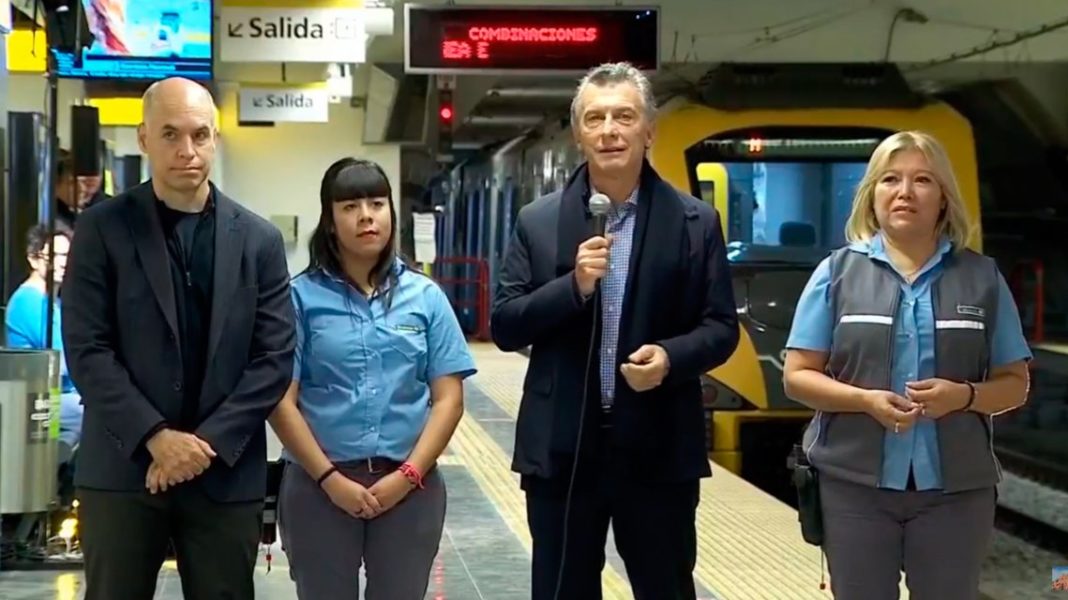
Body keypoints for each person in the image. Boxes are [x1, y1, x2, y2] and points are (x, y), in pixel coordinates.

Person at [491, 62, 740, 600]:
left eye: (624, 116)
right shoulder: (538, 220)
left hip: (658, 450)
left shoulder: (695, 222)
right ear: (579, 133)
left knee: (665, 587)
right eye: (596, 118)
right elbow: (505, 324)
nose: (610, 130)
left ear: (648, 130)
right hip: (563, 451)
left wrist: (671, 358)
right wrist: (574, 287)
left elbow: (721, 327)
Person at [61, 77, 296, 600]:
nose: (186, 151)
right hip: (124, 470)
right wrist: (156, 438)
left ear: (215, 139)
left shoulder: (258, 240)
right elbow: (87, 348)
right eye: (170, 134)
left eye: (199, 135)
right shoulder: (102, 230)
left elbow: (273, 358)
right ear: (143, 138)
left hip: (225, 473)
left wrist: (202, 445)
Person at [783, 130, 1031, 600]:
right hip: (854, 489)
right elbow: (797, 376)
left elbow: (1014, 384)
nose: (904, 192)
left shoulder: (982, 278)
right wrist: (864, 401)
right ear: (872, 195)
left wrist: (965, 397)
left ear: (943, 199)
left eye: (922, 180)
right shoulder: (835, 275)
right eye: (890, 179)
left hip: (955, 494)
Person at [269, 158, 476, 599]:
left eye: (377, 203)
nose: (366, 215)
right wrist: (329, 479)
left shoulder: (426, 298)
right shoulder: (299, 299)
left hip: (410, 488)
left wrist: (407, 475)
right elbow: (281, 401)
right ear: (329, 221)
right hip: (318, 488)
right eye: (350, 206)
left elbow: (448, 400)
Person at [4, 224, 82, 452]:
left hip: (59, 393)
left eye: (67, 255)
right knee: (104, 413)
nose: (63, 262)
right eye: (54, 255)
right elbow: (67, 361)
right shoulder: (31, 301)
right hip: (39, 397)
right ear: (34, 260)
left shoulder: (53, 301)